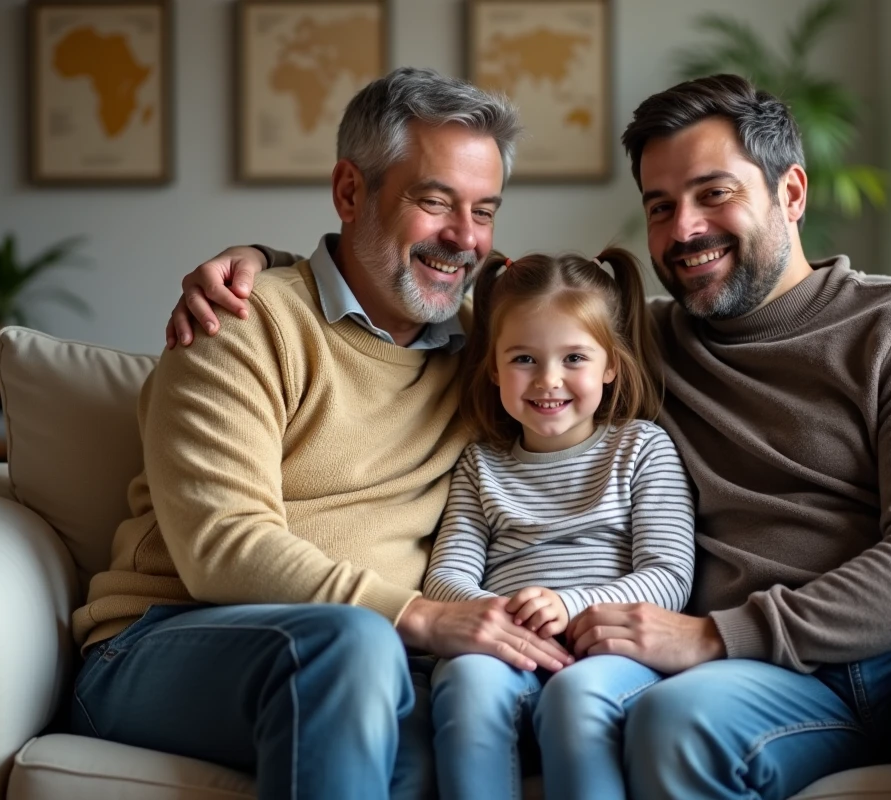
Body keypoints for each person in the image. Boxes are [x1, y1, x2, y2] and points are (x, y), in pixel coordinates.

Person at [171, 74, 891, 799]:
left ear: (792, 191)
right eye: (659, 204)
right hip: (786, 682)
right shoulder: (640, 341)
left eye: (712, 194)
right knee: (669, 727)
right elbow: (511, 319)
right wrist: (267, 263)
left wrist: (716, 638)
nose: (684, 229)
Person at [68, 67, 575, 800]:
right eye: (434, 202)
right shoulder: (239, 324)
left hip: (377, 664)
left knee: (443, 741)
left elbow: (598, 331)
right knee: (353, 646)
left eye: (484, 210)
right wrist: (421, 617)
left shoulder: (490, 354)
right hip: (162, 644)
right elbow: (221, 548)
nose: (464, 238)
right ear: (349, 191)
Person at [423, 248, 695, 800]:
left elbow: (669, 575)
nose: (548, 380)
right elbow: (445, 575)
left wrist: (570, 605)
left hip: (611, 656)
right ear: (494, 367)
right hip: (508, 650)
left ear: (610, 364)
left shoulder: (641, 449)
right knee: (465, 684)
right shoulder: (481, 465)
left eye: (574, 358)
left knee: (577, 696)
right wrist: (497, 617)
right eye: (524, 359)